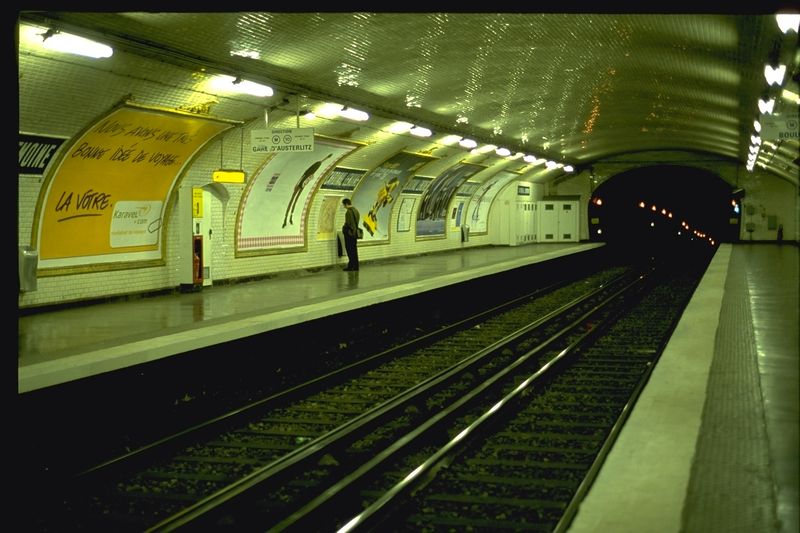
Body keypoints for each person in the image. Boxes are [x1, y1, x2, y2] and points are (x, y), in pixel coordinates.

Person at [341, 197, 360, 271]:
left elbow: (348, 223)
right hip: (355, 234)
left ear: (346, 204)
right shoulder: (356, 210)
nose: (344, 207)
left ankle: (351, 266)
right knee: (354, 250)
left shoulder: (348, 212)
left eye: (344, 205)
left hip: (349, 234)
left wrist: (344, 228)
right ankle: (356, 266)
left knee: (349, 250)